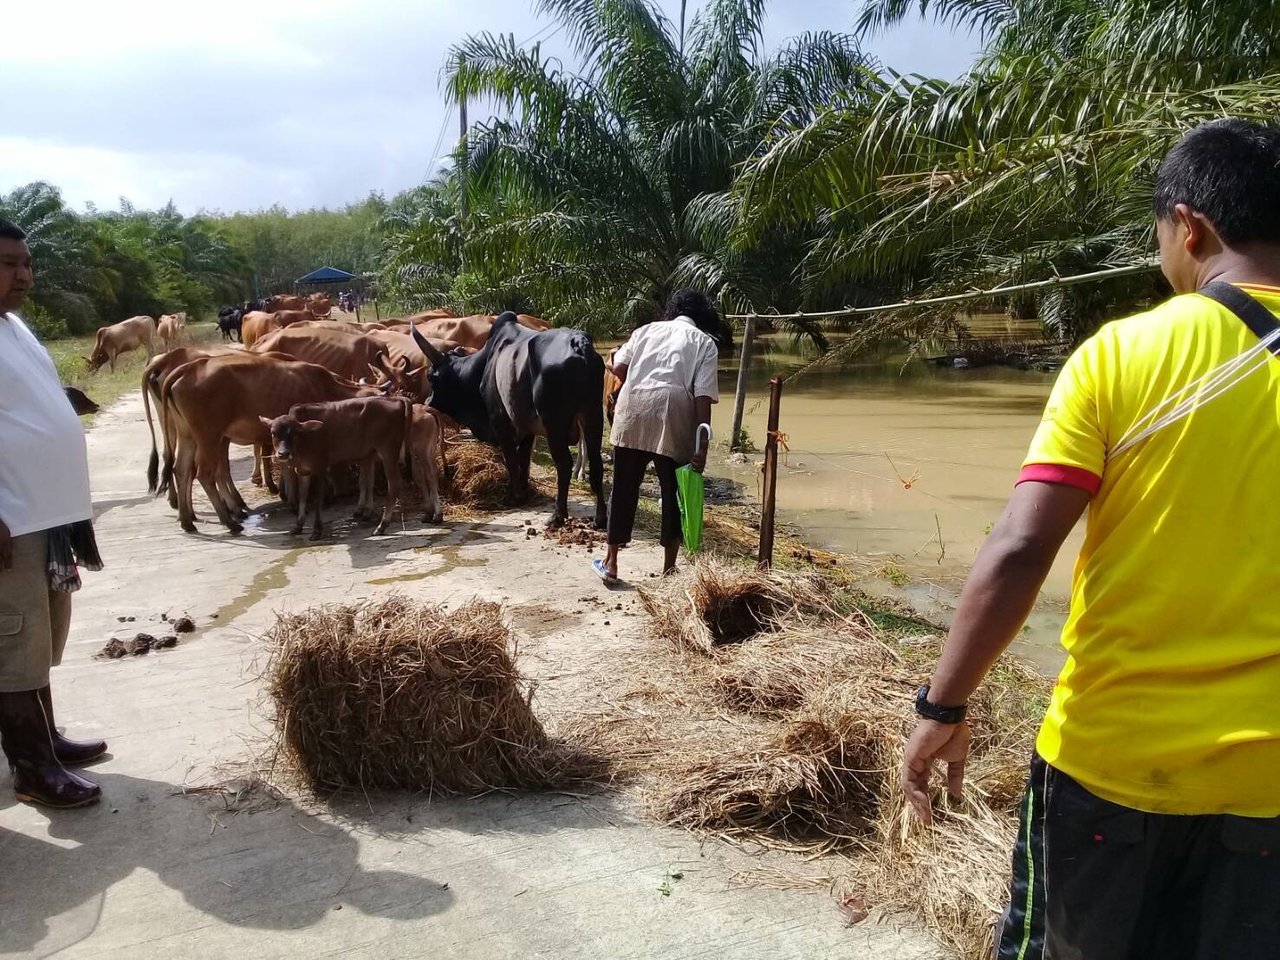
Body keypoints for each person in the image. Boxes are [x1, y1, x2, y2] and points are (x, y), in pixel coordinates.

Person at [901, 118, 1280, 958]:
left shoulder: (1123, 355)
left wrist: (943, 707)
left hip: (1112, 767)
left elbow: (1020, 551)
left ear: (1190, 227)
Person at [0, 217, 106, 808]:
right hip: (10, 524)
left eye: (27, 263)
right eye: (9, 264)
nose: (24, 275)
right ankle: (31, 769)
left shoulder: (14, 327)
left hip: (49, 519)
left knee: (40, 638)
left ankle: (47, 740)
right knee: (13, 644)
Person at [594, 289, 731, 584]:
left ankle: (612, 561)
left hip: (633, 408)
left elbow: (618, 368)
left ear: (672, 310)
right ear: (702, 317)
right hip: (674, 412)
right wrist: (701, 445)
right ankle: (669, 568)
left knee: (624, 487)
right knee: (674, 493)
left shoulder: (645, 330)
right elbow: (702, 397)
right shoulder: (705, 343)